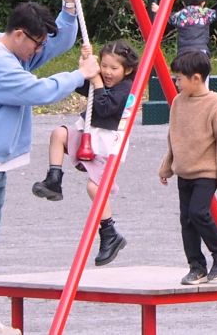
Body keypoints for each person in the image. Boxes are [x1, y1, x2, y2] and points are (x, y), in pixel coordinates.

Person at [0, 0, 97, 335]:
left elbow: (59, 41)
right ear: (18, 35)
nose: (38, 50)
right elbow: (38, 91)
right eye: (35, 43)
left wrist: (69, 6)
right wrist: (80, 75)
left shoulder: (15, 52)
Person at [30, 39, 138, 266]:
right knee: (58, 134)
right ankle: (54, 180)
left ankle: (110, 233)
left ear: (127, 70)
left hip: (108, 147)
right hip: (88, 134)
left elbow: (105, 107)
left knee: (94, 187)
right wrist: (85, 67)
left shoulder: (128, 89)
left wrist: (97, 79)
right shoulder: (100, 79)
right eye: (104, 66)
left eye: (114, 68)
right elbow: (80, 85)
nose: (107, 72)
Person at [158, 50, 217, 286]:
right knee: (186, 220)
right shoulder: (178, 102)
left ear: (196, 78)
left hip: (206, 172)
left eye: (179, 78)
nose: (176, 82)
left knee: (198, 212)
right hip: (184, 171)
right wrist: (166, 167)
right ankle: (197, 267)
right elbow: (174, 137)